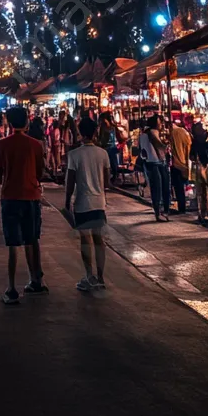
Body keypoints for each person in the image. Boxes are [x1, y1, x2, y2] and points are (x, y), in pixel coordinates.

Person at [0, 104, 47, 304]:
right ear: (26, 121)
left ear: (8, 121)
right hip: (31, 196)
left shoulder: (2, 145)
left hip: (10, 197)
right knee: (32, 239)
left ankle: (11, 288)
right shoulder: (36, 145)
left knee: (13, 244)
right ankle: (37, 281)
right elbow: (40, 173)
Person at [65, 116, 112, 291]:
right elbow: (107, 182)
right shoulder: (103, 153)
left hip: (82, 202)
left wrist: (66, 201)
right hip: (99, 202)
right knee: (99, 240)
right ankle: (100, 277)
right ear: (94, 132)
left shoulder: (74, 155)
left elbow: (70, 182)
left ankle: (89, 275)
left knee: (85, 240)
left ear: (80, 132)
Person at [139, 115, 170, 221]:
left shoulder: (144, 134)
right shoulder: (152, 133)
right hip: (156, 162)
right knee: (160, 188)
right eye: (159, 122)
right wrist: (166, 145)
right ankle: (161, 212)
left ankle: (160, 211)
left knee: (157, 188)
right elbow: (159, 146)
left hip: (150, 162)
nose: (161, 124)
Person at [190, 121, 208, 224]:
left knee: (201, 192)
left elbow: (191, 155)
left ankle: (202, 214)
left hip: (200, 166)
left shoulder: (195, 140)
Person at [168, 120, 192, 215]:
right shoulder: (185, 132)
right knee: (182, 186)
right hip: (185, 163)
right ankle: (182, 206)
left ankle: (181, 207)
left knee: (178, 187)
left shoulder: (173, 133)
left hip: (176, 163)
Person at [96, 112, 119, 183]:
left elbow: (102, 139)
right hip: (110, 148)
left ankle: (110, 178)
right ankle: (112, 177)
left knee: (109, 165)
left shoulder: (107, 127)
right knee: (111, 164)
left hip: (109, 149)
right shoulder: (111, 127)